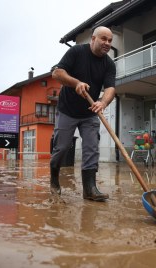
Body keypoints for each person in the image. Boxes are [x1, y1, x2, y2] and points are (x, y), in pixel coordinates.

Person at [50, 26, 116, 201]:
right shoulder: (77, 52)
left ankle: (90, 189)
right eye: (104, 39)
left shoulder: (109, 64)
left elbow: (110, 88)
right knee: (62, 147)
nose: (107, 43)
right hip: (67, 110)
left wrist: (103, 102)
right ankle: (54, 180)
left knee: (91, 149)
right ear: (93, 39)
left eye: (110, 41)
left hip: (89, 112)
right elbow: (57, 73)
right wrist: (76, 82)